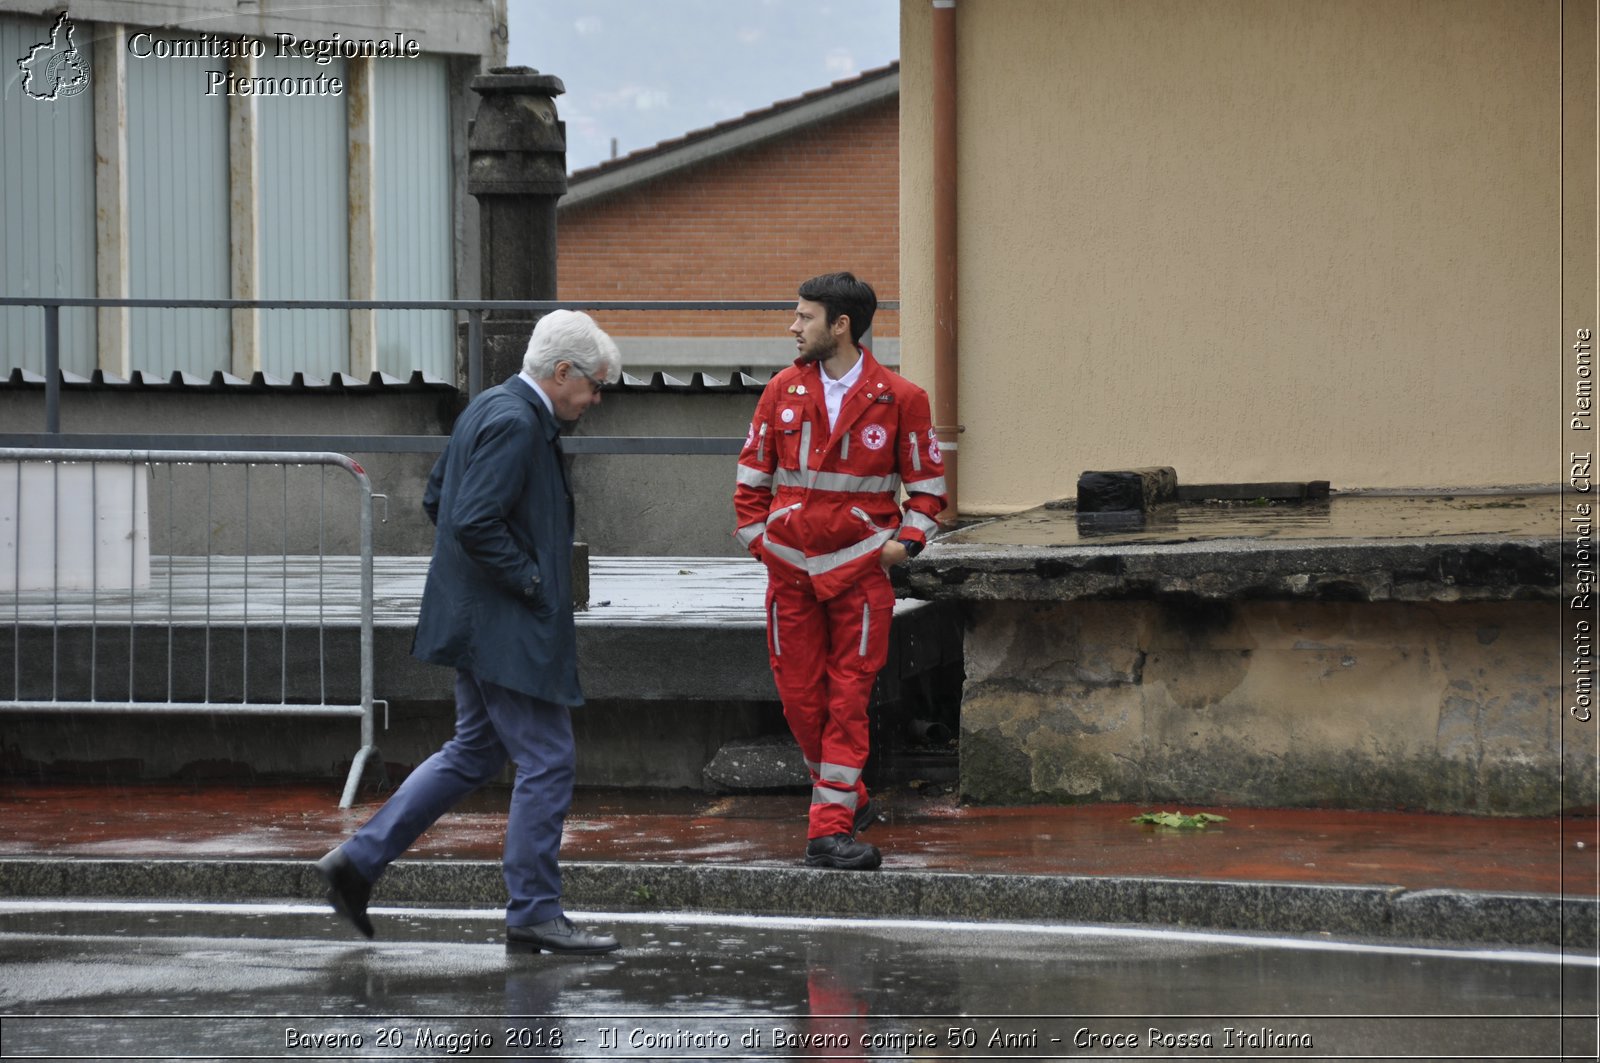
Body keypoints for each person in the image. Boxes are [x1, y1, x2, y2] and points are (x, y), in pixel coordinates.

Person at [315, 309, 622, 954]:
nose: (596, 398)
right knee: (548, 760)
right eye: (593, 384)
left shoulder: (489, 408)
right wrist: (533, 582)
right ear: (561, 372)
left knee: (475, 752)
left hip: (480, 621)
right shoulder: (517, 423)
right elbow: (473, 520)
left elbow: (439, 500)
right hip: (508, 628)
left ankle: (357, 862)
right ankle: (534, 910)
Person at [732, 272, 947, 870]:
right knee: (802, 701)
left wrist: (903, 546)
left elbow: (928, 492)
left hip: (858, 577)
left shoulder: (902, 398)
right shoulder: (780, 390)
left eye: (804, 316)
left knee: (847, 702)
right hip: (789, 574)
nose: (792, 327)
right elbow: (751, 483)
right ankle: (849, 800)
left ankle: (827, 832)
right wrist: (761, 544)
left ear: (841, 325)